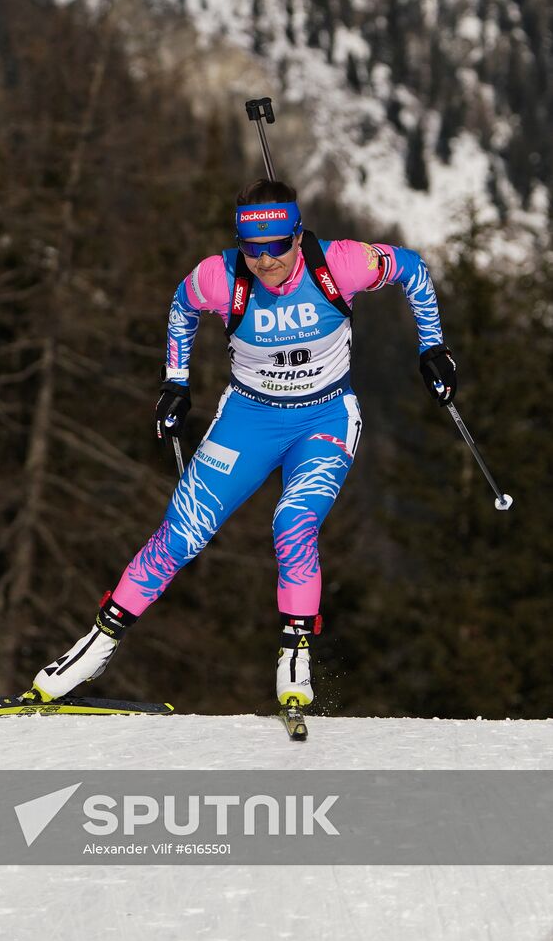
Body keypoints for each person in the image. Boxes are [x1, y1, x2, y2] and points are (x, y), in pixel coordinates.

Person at [22, 179, 456, 709]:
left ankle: (295, 658)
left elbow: (411, 268)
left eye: (277, 247)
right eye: (253, 249)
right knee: (181, 533)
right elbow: (181, 308)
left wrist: (432, 348)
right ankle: (97, 646)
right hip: (247, 419)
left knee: (292, 523)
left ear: (298, 236)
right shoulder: (219, 277)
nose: (266, 262)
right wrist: (175, 383)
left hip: (324, 419)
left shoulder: (341, 265)